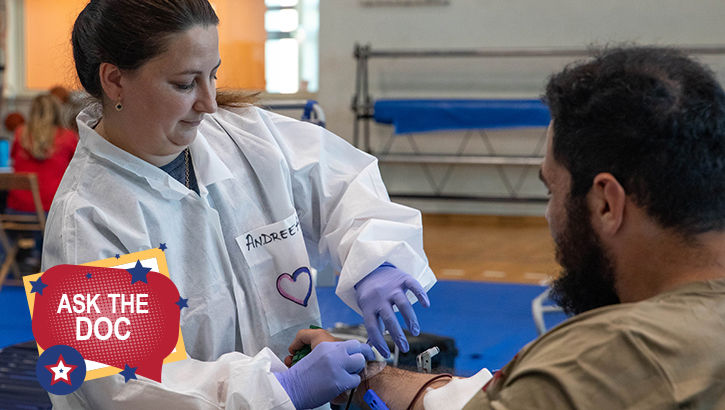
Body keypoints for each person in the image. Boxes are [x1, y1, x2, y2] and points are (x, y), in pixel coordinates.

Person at [41, 0, 436, 408]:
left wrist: (376, 260)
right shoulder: (84, 224)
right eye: (184, 84)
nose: (209, 103)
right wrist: (280, 391)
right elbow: (127, 388)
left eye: (212, 75)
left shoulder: (245, 136)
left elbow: (343, 183)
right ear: (114, 80)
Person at [295, 46, 725, 410]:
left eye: (553, 191)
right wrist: (368, 378)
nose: (550, 215)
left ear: (607, 203)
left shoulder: (598, 363)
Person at [6, 94, 78, 263]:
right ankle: (42, 259)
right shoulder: (67, 137)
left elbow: (13, 159)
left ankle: (24, 256)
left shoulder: (20, 134)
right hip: (50, 212)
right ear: (57, 112)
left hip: (16, 210)